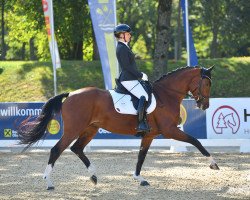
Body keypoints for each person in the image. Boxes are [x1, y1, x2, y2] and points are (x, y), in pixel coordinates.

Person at [114, 24, 150, 134]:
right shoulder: (121, 48)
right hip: (128, 79)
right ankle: (141, 124)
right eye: (128, 34)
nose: (130, 36)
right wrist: (140, 75)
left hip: (131, 78)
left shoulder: (124, 46)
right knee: (143, 96)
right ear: (121, 35)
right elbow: (127, 67)